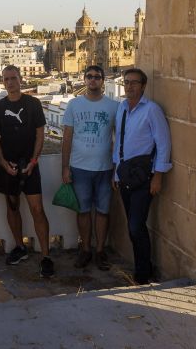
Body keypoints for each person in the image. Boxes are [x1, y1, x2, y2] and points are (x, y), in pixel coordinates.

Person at [0, 65, 55, 278]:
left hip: (29, 165)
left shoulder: (33, 104)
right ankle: (20, 247)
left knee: (37, 210)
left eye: (13, 78)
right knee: (12, 207)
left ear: (21, 79)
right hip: (8, 166)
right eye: (6, 79)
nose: (10, 82)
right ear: (3, 81)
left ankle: (46, 256)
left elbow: (40, 135)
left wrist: (34, 161)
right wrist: (3, 162)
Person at [112, 68, 171, 285]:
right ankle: (141, 267)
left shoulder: (152, 110)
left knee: (136, 225)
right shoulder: (122, 108)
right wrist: (116, 171)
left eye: (134, 83)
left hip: (144, 176)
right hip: (125, 174)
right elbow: (119, 141)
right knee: (132, 225)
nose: (129, 86)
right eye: (127, 82)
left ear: (143, 86)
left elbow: (163, 143)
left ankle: (143, 273)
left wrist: (158, 176)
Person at [61, 65, 120, 271]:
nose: (93, 80)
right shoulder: (73, 105)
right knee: (83, 211)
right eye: (89, 76)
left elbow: (119, 139)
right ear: (84, 80)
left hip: (105, 169)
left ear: (103, 81)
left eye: (97, 76)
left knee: (103, 212)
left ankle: (100, 250)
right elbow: (67, 138)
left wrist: (116, 169)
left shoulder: (114, 107)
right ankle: (85, 249)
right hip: (79, 168)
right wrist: (65, 168)